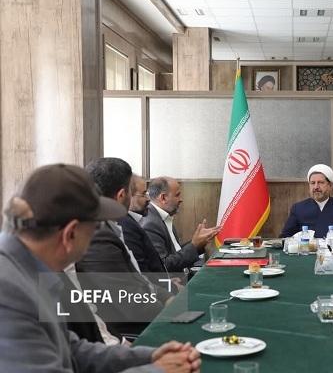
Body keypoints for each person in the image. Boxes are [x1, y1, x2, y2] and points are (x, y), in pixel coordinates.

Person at [0, 163, 200, 372]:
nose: (97, 236)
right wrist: (157, 370)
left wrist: (147, 357)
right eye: (95, 228)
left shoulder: (31, 267)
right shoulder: (9, 293)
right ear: (70, 234)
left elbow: (72, 350)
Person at [76, 158, 172, 336]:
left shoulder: (109, 225)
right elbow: (134, 304)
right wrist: (171, 311)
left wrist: (167, 298)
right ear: (122, 195)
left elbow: (140, 280)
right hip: (132, 332)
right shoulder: (97, 237)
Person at [142, 177, 220, 273]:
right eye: (177, 195)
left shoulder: (164, 217)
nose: (181, 199)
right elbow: (164, 265)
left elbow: (175, 252)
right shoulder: (150, 224)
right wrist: (194, 245)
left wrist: (199, 242)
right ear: (163, 198)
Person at [280, 164, 333, 238]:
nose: (316, 187)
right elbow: (286, 236)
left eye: (320, 182)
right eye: (312, 183)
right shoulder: (298, 208)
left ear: (330, 186)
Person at [119, 175, 168, 274]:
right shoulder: (127, 227)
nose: (148, 199)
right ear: (127, 195)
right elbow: (142, 272)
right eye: (143, 194)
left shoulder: (134, 222)